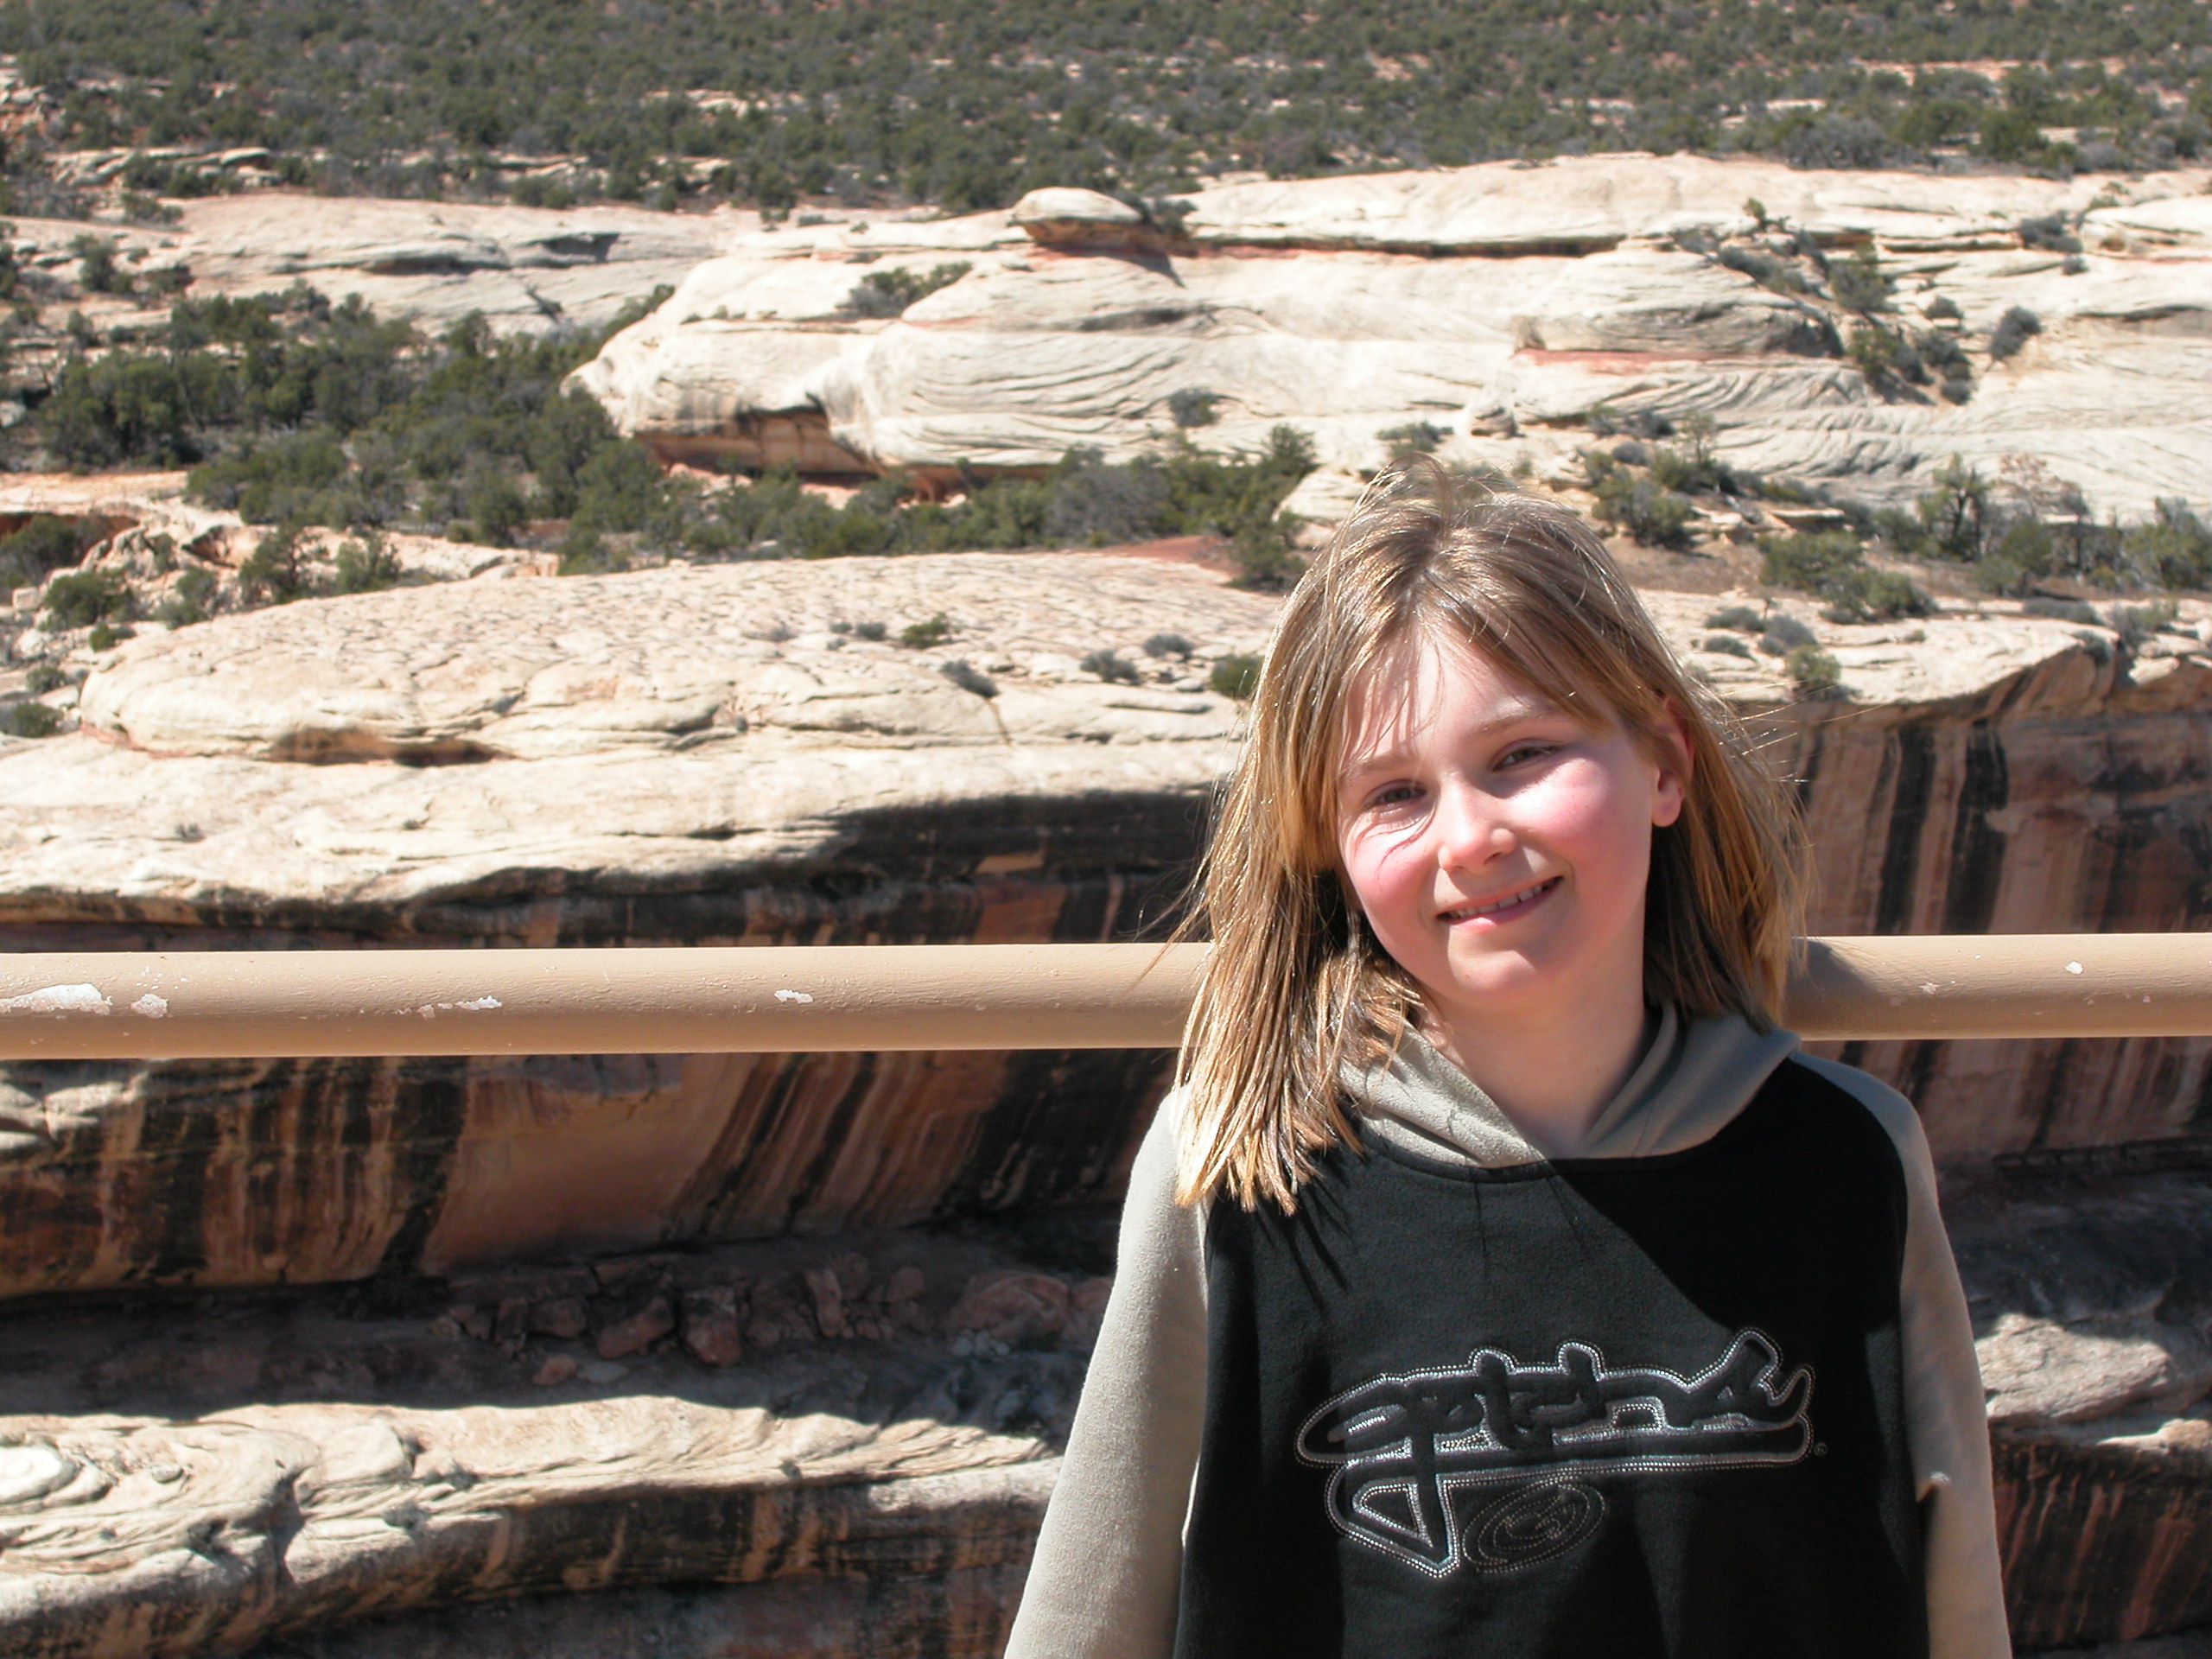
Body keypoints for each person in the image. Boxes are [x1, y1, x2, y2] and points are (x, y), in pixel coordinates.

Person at [1004, 461, 2007, 1659]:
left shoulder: (1849, 1158)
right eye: (1392, 794)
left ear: (1667, 764)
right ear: (1325, 848)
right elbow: (1092, 1604)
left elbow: (1957, 1601)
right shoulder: (1242, 1167)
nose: (1472, 838)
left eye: (1523, 754)